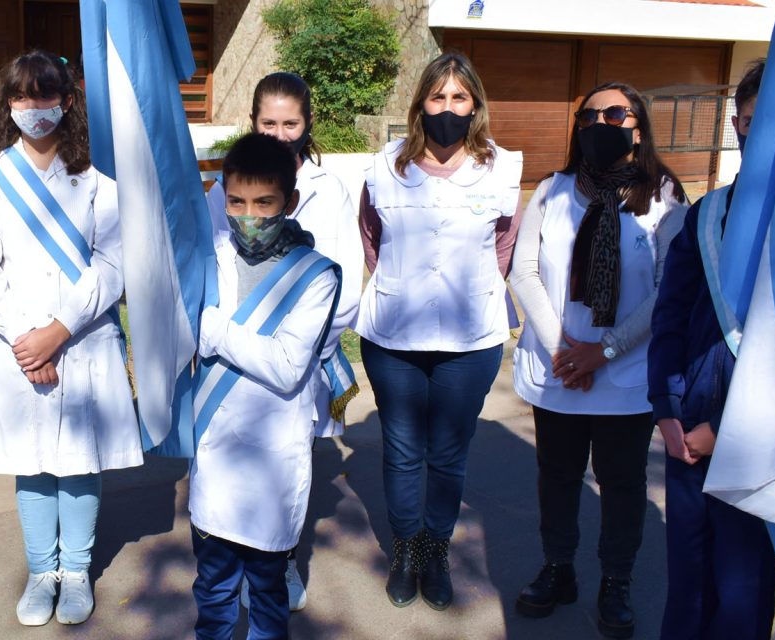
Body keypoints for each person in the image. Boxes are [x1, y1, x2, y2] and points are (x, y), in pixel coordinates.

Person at [0, 51, 139, 627]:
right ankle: (42, 571)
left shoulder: (97, 183)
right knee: (33, 463)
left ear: (67, 101)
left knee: (77, 459)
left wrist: (59, 331)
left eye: (45, 96)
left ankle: (78, 569)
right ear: (7, 104)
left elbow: (113, 264)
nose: (34, 109)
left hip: (81, 338)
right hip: (15, 344)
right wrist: (25, 338)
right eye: (21, 97)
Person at [509, 81, 687, 639]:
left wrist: (603, 351)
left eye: (615, 113)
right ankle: (558, 567)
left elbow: (668, 289)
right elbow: (523, 270)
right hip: (559, 368)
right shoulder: (552, 189)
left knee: (623, 483)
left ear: (638, 125)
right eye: (589, 115)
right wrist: (564, 347)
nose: (600, 124)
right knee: (558, 477)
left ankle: (616, 581)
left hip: (625, 375)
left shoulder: (664, 194)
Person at [355, 52, 523, 612]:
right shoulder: (384, 166)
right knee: (402, 451)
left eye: (459, 98)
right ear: (420, 103)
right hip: (394, 338)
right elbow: (371, 236)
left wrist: (472, 289)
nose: (447, 108)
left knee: (449, 454)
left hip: (470, 342)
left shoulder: (501, 167)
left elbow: (505, 244)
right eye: (437, 97)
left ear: (474, 104)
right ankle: (405, 548)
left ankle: (435, 548)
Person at [203, 71, 362, 613]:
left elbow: (344, 289)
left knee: (287, 468)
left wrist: (295, 346)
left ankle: (283, 560)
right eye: (267, 122)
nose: (278, 133)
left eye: (289, 122)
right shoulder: (221, 190)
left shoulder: (328, 189)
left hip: (300, 353)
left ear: (306, 123)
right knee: (231, 470)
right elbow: (206, 269)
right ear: (252, 122)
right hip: (227, 370)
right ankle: (233, 562)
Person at [647, 59, 775, 640]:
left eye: (773, 120)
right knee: (688, 581)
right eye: (750, 120)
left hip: (761, 445)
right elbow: (671, 318)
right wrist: (668, 410)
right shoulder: (707, 215)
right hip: (689, 436)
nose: (758, 132)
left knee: (740, 591)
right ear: (736, 123)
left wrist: (725, 431)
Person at [189, 132, 340, 639]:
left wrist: (210, 331)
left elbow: (285, 365)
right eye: (236, 201)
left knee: (267, 593)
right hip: (216, 454)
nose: (247, 214)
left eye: (263, 202)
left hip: (274, 456)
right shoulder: (208, 258)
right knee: (212, 591)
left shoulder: (316, 275)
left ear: (289, 202)